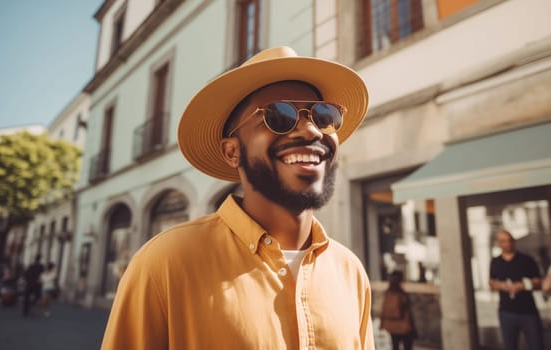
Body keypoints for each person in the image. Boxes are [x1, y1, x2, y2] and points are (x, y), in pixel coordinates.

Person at [101, 46, 374, 349]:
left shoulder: (350, 271)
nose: (311, 131)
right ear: (232, 151)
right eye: (279, 116)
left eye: (325, 115)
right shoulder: (164, 264)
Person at [489, 230, 544, 350]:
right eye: (503, 241)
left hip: (528, 311)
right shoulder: (495, 262)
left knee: (536, 345)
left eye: (510, 241)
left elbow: (538, 282)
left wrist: (522, 285)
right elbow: (492, 282)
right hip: (506, 312)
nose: (507, 244)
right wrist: (501, 285)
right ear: (499, 243)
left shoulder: (526, 260)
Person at [380, 271, 416, 350]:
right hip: (404, 327)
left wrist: (382, 324)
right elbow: (408, 314)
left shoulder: (387, 293)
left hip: (392, 327)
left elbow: (383, 311)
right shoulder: (402, 295)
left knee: (395, 346)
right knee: (407, 346)